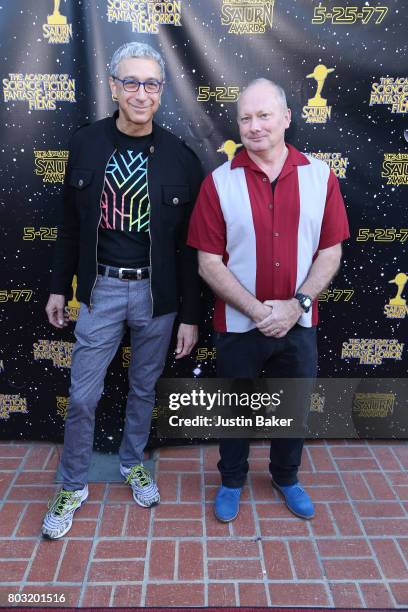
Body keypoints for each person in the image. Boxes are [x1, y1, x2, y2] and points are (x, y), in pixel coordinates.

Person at [42, 42, 202, 539]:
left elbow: (191, 249)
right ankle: (72, 483)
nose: (140, 93)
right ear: (113, 86)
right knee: (83, 395)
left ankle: (134, 463)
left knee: (143, 388)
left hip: (157, 296)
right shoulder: (85, 144)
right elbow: (69, 227)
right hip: (101, 291)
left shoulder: (181, 157)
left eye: (151, 84)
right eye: (130, 82)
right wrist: (56, 288)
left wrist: (191, 316)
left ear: (161, 91)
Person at [188, 78, 349, 522]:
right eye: (246, 118)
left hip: (298, 323)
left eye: (264, 116)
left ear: (286, 119)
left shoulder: (320, 176)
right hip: (240, 326)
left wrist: (295, 305)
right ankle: (233, 480)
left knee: (292, 406)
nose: (255, 126)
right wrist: (261, 312)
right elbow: (208, 262)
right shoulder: (218, 183)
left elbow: (330, 251)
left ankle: (285, 476)